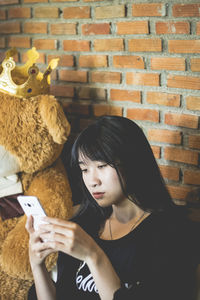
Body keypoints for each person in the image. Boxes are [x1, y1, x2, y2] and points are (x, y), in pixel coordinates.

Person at [26, 115, 200, 300]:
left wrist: (94, 256)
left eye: (101, 166)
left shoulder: (173, 234)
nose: (92, 181)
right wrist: (37, 265)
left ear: (132, 163)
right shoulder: (84, 225)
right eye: (84, 170)